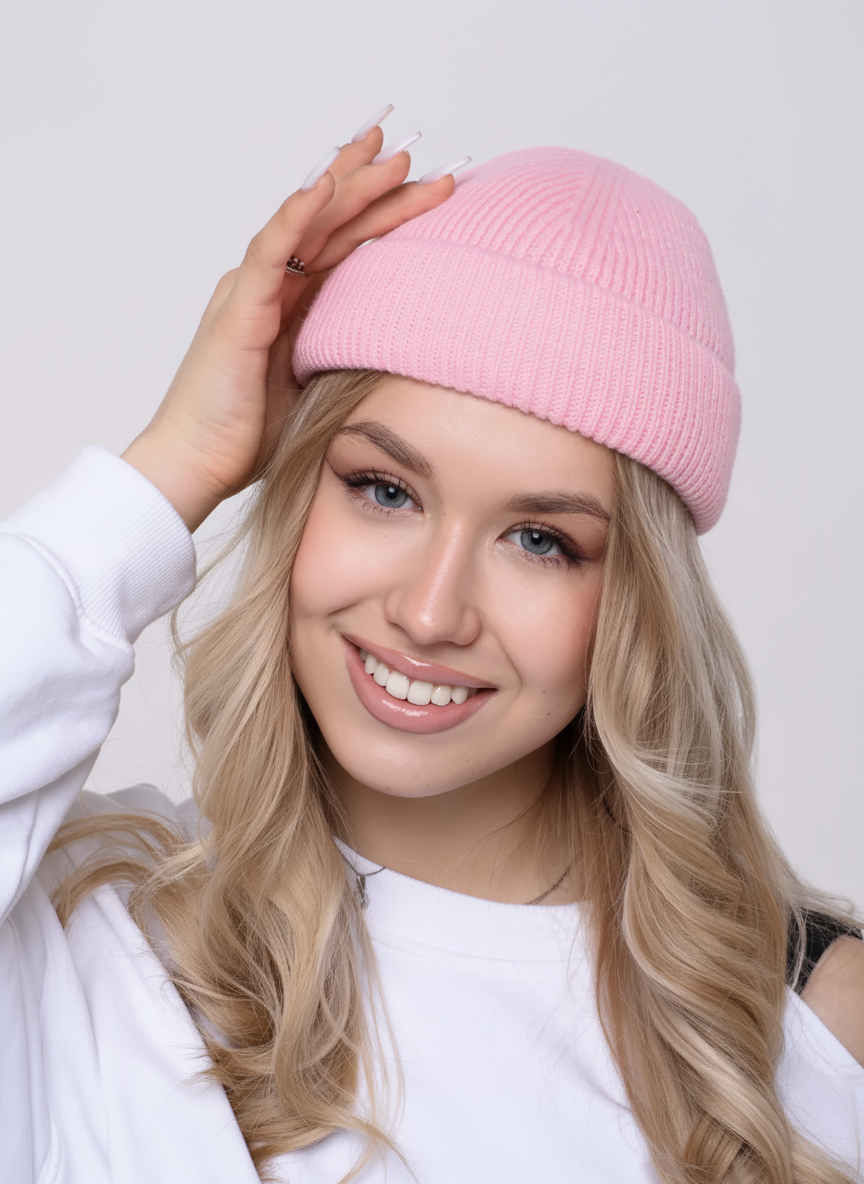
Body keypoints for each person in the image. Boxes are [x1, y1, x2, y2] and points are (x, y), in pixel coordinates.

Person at [2, 107, 863, 1184]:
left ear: (637, 603)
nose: (430, 609)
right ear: (297, 492)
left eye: (541, 539)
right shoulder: (86, 929)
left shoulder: (813, 1023)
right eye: (383, 488)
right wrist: (173, 465)